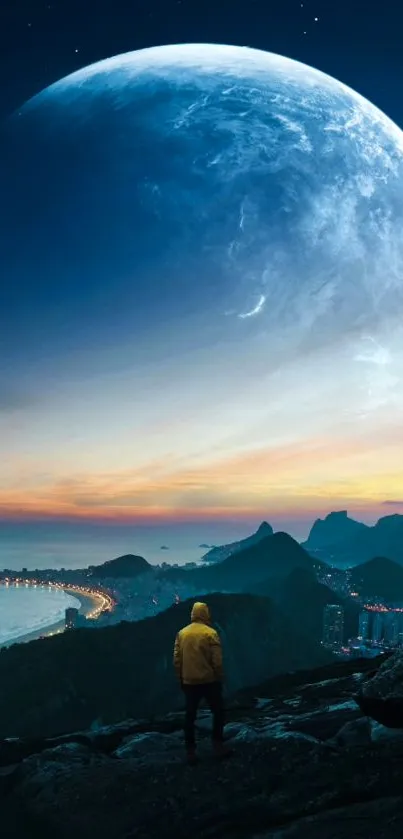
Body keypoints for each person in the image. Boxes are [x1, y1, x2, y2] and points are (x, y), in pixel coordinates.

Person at [173, 601, 232, 764]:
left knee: (190, 716)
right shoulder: (210, 633)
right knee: (218, 712)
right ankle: (217, 746)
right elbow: (217, 661)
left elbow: (177, 660)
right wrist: (220, 677)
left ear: (192, 614)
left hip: (189, 682)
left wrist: (181, 679)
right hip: (209, 681)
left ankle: (190, 752)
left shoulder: (182, 633)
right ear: (206, 614)